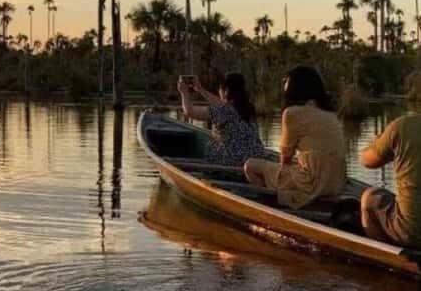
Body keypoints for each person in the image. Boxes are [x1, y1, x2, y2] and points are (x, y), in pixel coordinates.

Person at [244, 66, 346, 209]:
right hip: (336, 184)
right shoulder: (330, 113)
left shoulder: (292, 113)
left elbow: (285, 157)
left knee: (251, 166)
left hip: (312, 183)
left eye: (286, 81)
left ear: (295, 87)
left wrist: (279, 177)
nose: (284, 85)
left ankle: (271, 208)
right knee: (290, 168)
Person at [359, 113, 421, 248]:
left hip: (412, 232)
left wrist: (378, 142)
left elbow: (366, 161)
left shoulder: (403, 126)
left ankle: (384, 256)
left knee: (369, 198)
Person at [178, 72, 266, 167]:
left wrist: (184, 92)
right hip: (256, 164)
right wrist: (200, 89)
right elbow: (221, 104)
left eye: (220, 88)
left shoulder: (223, 111)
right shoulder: (248, 108)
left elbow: (190, 112)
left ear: (226, 91)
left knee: (211, 147)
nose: (218, 91)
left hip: (234, 164)